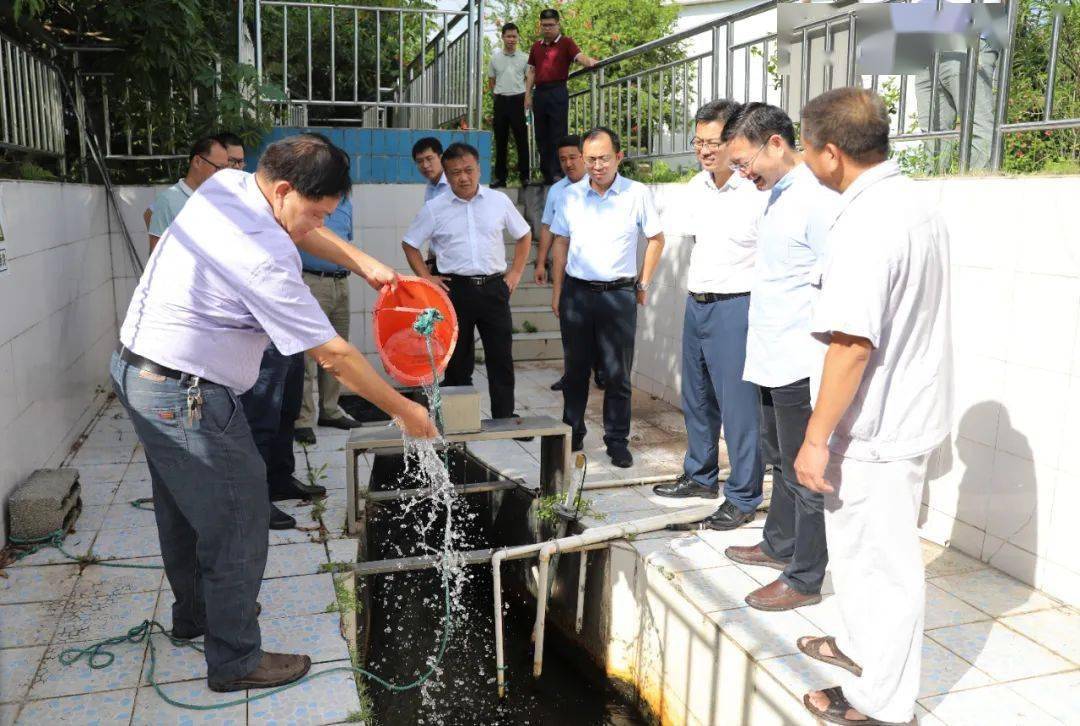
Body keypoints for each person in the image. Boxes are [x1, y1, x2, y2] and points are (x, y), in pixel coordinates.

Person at [112, 133, 436, 693]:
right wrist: (405, 410)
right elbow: (333, 356)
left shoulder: (229, 186)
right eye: (316, 212)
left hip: (138, 371)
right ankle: (236, 659)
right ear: (284, 189)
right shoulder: (263, 255)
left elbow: (306, 228)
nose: (317, 225)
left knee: (183, 509)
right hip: (186, 393)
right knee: (240, 518)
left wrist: (365, 264)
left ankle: (197, 615)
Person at [794, 87, 952, 726]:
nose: (806, 160)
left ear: (832, 153)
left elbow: (852, 345)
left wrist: (815, 438)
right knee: (861, 556)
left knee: (883, 568)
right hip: (901, 413)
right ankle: (861, 651)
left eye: (807, 149)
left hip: (878, 429)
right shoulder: (911, 201)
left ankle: (882, 705)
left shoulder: (868, 224)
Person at [717, 103, 838, 611]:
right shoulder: (777, 196)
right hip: (769, 356)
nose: (742, 174)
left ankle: (805, 576)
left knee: (803, 469)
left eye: (745, 162)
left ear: (775, 143)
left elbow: (836, 283)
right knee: (780, 460)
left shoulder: (816, 200)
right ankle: (779, 543)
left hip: (798, 360)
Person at [652, 100, 769, 522]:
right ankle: (700, 475)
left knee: (739, 408)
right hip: (697, 303)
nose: (704, 150)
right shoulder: (696, 187)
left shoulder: (755, 192)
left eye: (713, 142)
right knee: (697, 398)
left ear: (734, 141)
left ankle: (743, 496)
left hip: (736, 306)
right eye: (698, 141)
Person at [549, 127, 665, 468]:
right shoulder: (570, 196)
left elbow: (657, 239)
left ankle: (617, 441)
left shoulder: (636, 194)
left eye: (603, 158)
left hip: (618, 295)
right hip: (577, 294)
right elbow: (560, 243)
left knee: (617, 374)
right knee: (575, 372)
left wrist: (643, 283)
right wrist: (557, 291)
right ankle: (573, 433)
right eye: (590, 160)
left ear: (619, 157)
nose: (597, 166)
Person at [402, 142, 532, 421]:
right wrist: (426, 278)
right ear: (446, 175)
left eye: (468, 170)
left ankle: (504, 417)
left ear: (479, 170)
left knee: (501, 356)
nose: (463, 177)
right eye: (455, 172)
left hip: (494, 288)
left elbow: (524, 235)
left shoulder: (499, 201)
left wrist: (515, 273)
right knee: (457, 359)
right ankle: (458, 421)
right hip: (455, 290)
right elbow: (410, 244)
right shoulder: (435, 208)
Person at [534, 135, 603, 393]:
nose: (568, 163)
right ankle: (571, 373)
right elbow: (547, 228)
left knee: (597, 326)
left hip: (595, 270)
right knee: (569, 325)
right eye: (563, 159)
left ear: (584, 157)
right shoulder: (557, 191)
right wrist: (541, 262)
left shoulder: (599, 184)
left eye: (573, 157)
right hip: (566, 268)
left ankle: (601, 370)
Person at [292, 196, 359, 447]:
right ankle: (303, 419)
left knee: (337, 351)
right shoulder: (308, 200)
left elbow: (346, 242)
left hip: (341, 282)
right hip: (312, 281)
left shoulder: (347, 204)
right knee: (308, 353)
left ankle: (330, 410)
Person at [525, 8, 598, 184]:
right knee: (541, 135)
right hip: (539, 93)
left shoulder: (566, 42)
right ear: (540, 26)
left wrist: (590, 62)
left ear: (558, 25)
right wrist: (527, 95)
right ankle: (546, 174)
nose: (547, 28)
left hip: (557, 91)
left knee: (557, 134)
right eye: (544, 25)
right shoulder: (536, 46)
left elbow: (579, 56)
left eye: (551, 25)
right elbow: (532, 71)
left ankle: (558, 173)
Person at [145, 136, 229, 251]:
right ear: (197, 161)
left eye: (226, 170)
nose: (223, 175)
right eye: (219, 168)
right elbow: (157, 253)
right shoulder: (168, 201)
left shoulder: (221, 199)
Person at [488, 23, 530, 188]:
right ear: (503, 37)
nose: (511, 39)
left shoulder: (525, 58)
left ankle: (525, 177)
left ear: (518, 37)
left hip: (518, 100)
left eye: (514, 36)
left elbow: (528, 79)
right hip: (501, 101)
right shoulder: (495, 58)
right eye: (508, 36)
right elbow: (491, 80)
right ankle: (500, 178)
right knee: (501, 140)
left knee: (522, 140)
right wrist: (497, 95)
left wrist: (527, 97)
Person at [413, 136, 450, 203]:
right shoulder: (430, 187)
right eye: (420, 161)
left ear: (441, 158)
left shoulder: (453, 184)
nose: (425, 165)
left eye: (429, 159)